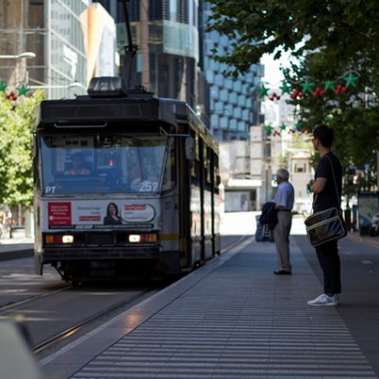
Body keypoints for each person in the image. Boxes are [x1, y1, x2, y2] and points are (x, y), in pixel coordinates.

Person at [307, 123, 343, 306]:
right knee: (331, 253)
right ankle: (333, 292)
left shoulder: (325, 161)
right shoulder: (334, 160)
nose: (313, 142)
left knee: (325, 253)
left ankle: (329, 293)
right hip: (333, 212)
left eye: (314, 138)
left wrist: (311, 186)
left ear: (318, 141)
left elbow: (319, 186)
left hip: (325, 215)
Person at [273, 168, 295, 275]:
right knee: (284, 240)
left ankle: (284, 267)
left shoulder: (282, 188)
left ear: (280, 177)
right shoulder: (289, 186)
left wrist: (272, 207)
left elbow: (281, 203)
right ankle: (284, 265)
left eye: (276, 177)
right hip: (286, 214)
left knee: (281, 241)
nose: (276, 179)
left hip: (282, 214)